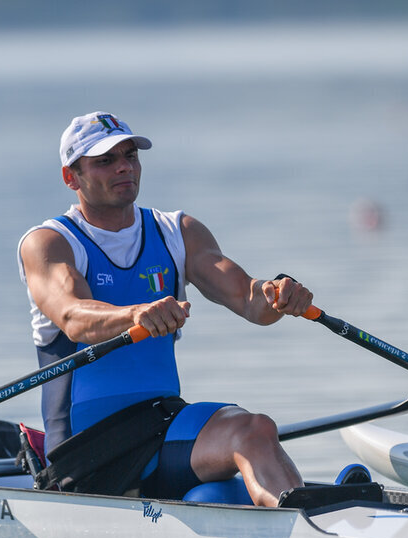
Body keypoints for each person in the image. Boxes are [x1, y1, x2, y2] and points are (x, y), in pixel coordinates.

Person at [17, 111, 313, 507]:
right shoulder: (50, 244)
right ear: (72, 178)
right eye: (105, 160)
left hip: (161, 422)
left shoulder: (178, 232)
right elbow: (73, 318)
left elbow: (249, 301)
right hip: (88, 454)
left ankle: (313, 524)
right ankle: (303, 526)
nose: (124, 166)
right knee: (247, 435)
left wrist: (278, 294)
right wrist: (134, 315)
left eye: (130, 155)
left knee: (256, 428)